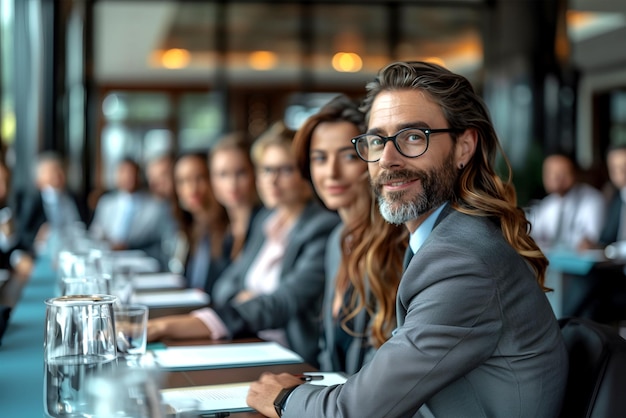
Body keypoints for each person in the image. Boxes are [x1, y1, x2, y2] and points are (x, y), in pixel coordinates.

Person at [247, 61, 567, 418]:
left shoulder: (462, 260)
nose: (387, 159)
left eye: (413, 136)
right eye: (376, 140)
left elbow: (355, 411)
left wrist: (284, 399)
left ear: (464, 147)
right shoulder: (442, 239)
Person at [148, 122, 340, 366]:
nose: (272, 180)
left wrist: (250, 300)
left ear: (305, 173)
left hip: (291, 357)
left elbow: (282, 303)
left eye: (285, 169)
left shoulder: (322, 227)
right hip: (249, 340)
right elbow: (225, 285)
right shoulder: (267, 220)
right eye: (267, 170)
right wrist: (247, 297)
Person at [292, 94, 407, 374]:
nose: (331, 172)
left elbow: (387, 365)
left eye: (347, 156)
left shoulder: (398, 242)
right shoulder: (338, 239)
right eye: (319, 158)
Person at [89, 157, 175, 265]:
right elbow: (95, 233)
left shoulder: (157, 206)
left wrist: (128, 247)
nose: (128, 177)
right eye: (123, 172)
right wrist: (107, 244)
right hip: (108, 258)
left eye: (131, 172)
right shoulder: (106, 203)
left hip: (140, 262)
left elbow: (164, 245)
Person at [527, 153, 606, 251]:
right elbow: (534, 234)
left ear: (575, 173)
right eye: (549, 172)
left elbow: (593, 239)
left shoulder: (592, 200)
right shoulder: (547, 204)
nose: (554, 177)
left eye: (561, 173)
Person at [14, 151, 83, 261]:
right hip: (44, 257)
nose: (58, 174)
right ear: (39, 179)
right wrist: (37, 239)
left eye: (60, 169)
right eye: (52, 171)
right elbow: (22, 235)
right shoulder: (32, 202)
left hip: (75, 253)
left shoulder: (75, 198)